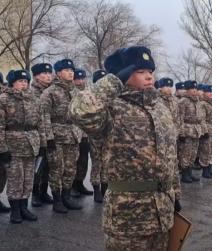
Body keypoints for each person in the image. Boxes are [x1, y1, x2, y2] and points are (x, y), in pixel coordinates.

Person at [69, 46, 181, 250]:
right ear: (122, 75)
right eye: (140, 72)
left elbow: (170, 157)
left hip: (162, 212)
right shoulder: (111, 109)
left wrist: (176, 195)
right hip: (127, 218)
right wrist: (113, 82)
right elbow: (79, 112)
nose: (148, 77)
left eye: (150, 72)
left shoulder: (160, 109)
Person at [0, 70, 45, 223]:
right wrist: (2, 149)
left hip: (31, 143)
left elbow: (41, 123)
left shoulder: (34, 100)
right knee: (15, 179)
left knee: (28, 178)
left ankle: (24, 208)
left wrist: (43, 144)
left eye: (26, 81)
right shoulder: (4, 99)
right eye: (20, 81)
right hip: (12, 145)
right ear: (13, 83)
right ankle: (15, 210)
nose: (24, 84)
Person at [41, 59, 82, 213]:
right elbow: (44, 116)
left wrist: (82, 133)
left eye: (72, 69)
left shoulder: (77, 92)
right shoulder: (50, 92)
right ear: (58, 73)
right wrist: (48, 138)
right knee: (57, 168)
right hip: (57, 136)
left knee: (70, 168)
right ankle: (57, 200)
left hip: (73, 134)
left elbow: (81, 115)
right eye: (66, 70)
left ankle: (67, 197)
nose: (71, 72)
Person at [30, 63, 54, 207]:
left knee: (49, 165)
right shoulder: (32, 92)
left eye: (49, 73)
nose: (48, 75)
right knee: (37, 166)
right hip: (38, 134)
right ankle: (35, 194)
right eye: (44, 73)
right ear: (37, 76)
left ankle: (44, 192)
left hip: (52, 132)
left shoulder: (52, 91)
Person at [72, 68, 93, 197]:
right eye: (77, 79)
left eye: (81, 78)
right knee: (73, 161)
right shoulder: (72, 93)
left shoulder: (88, 92)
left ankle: (80, 183)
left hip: (86, 133)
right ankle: (73, 185)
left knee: (83, 160)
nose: (80, 81)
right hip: (74, 132)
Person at [89, 69, 109, 204]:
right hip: (95, 134)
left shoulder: (111, 96)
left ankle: (105, 189)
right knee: (97, 163)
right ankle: (96, 190)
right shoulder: (90, 96)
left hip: (108, 134)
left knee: (107, 162)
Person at [178, 80, 202, 183]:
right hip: (187, 130)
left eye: (196, 88)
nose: (195, 90)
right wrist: (181, 133)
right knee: (185, 153)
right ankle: (184, 174)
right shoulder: (183, 101)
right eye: (193, 88)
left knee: (193, 153)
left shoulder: (196, 101)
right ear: (187, 89)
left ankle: (190, 172)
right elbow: (180, 118)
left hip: (195, 130)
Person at [197, 84, 212, 178]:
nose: (211, 93)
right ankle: (205, 169)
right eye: (209, 92)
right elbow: (202, 119)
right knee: (205, 150)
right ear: (204, 93)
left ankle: (210, 167)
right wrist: (204, 131)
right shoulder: (202, 104)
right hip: (207, 128)